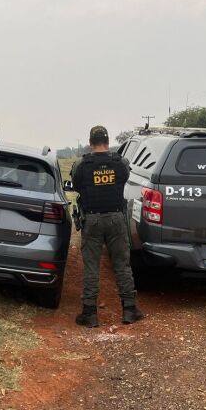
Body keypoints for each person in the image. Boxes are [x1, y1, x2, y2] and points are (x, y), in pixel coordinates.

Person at [70, 125, 144, 327]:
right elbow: (125, 178)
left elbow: (76, 185)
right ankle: (129, 310)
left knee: (91, 267)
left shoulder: (82, 164)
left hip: (92, 220)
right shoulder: (120, 163)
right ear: (108, 141)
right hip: (116, 219)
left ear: (91, 142)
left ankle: (90, 314)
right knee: (122, 264)